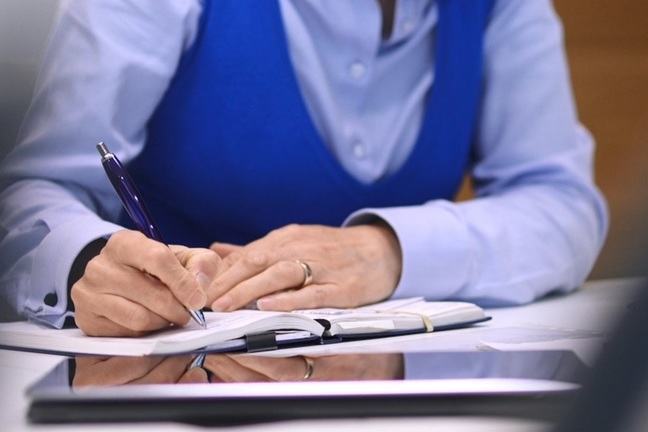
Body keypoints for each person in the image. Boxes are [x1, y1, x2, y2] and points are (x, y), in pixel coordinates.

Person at [0, 0, 607, 336]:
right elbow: (31, 188)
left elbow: (561, 203)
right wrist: (87, 261)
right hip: (177, 381)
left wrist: (388, 251)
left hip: (399, 390)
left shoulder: (502, 8)